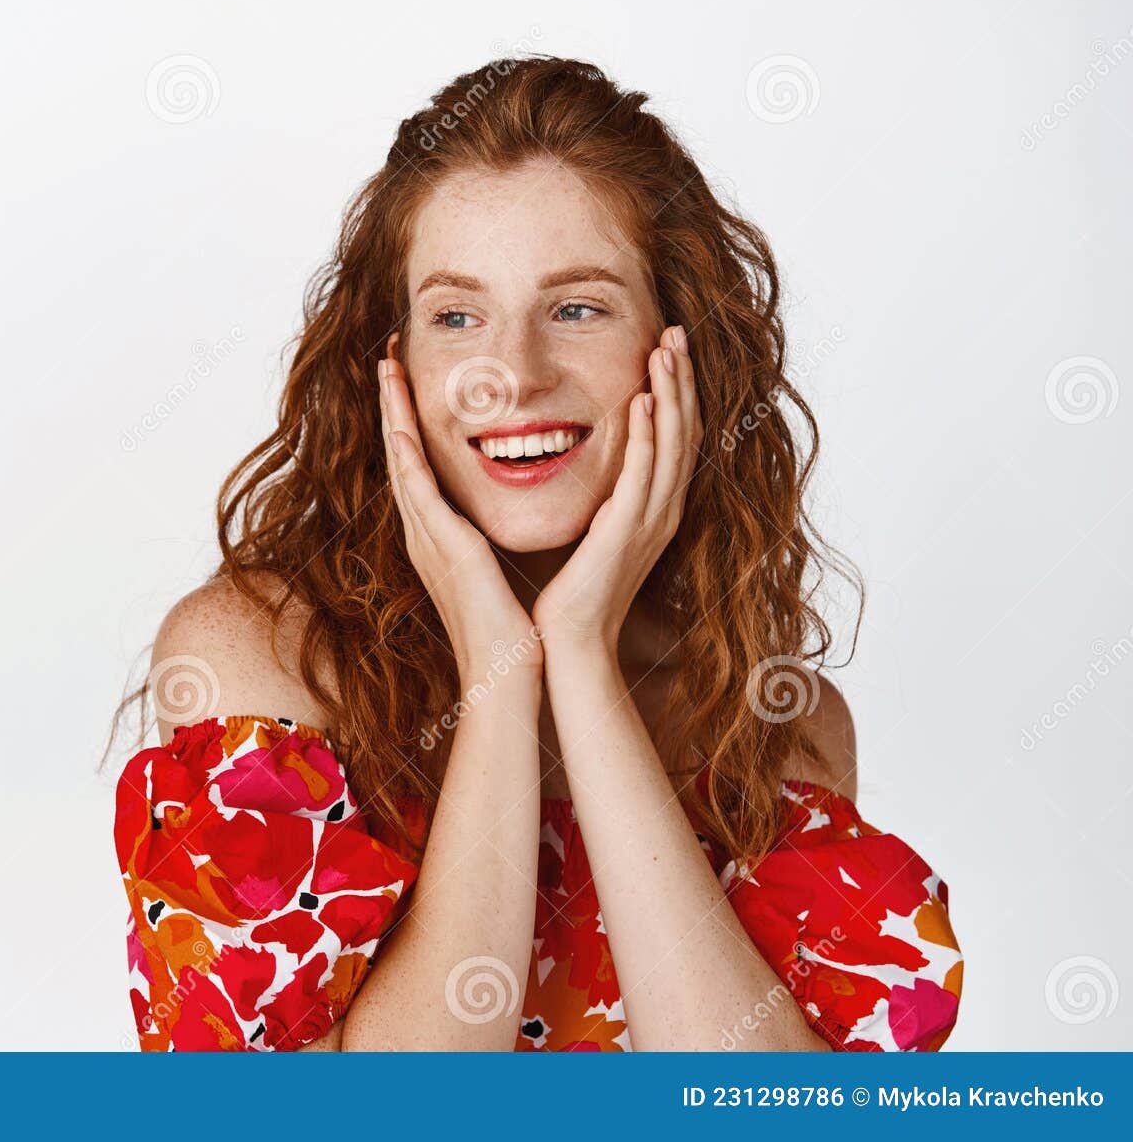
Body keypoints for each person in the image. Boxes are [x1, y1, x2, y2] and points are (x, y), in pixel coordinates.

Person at [110, 56, 962, 1052]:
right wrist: (496, 669)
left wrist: (581, 655)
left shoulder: (774, 723)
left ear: (677, 346)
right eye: (456, 315)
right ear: (391, 365)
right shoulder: (258, 659)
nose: (511, 375)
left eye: (577, 306)